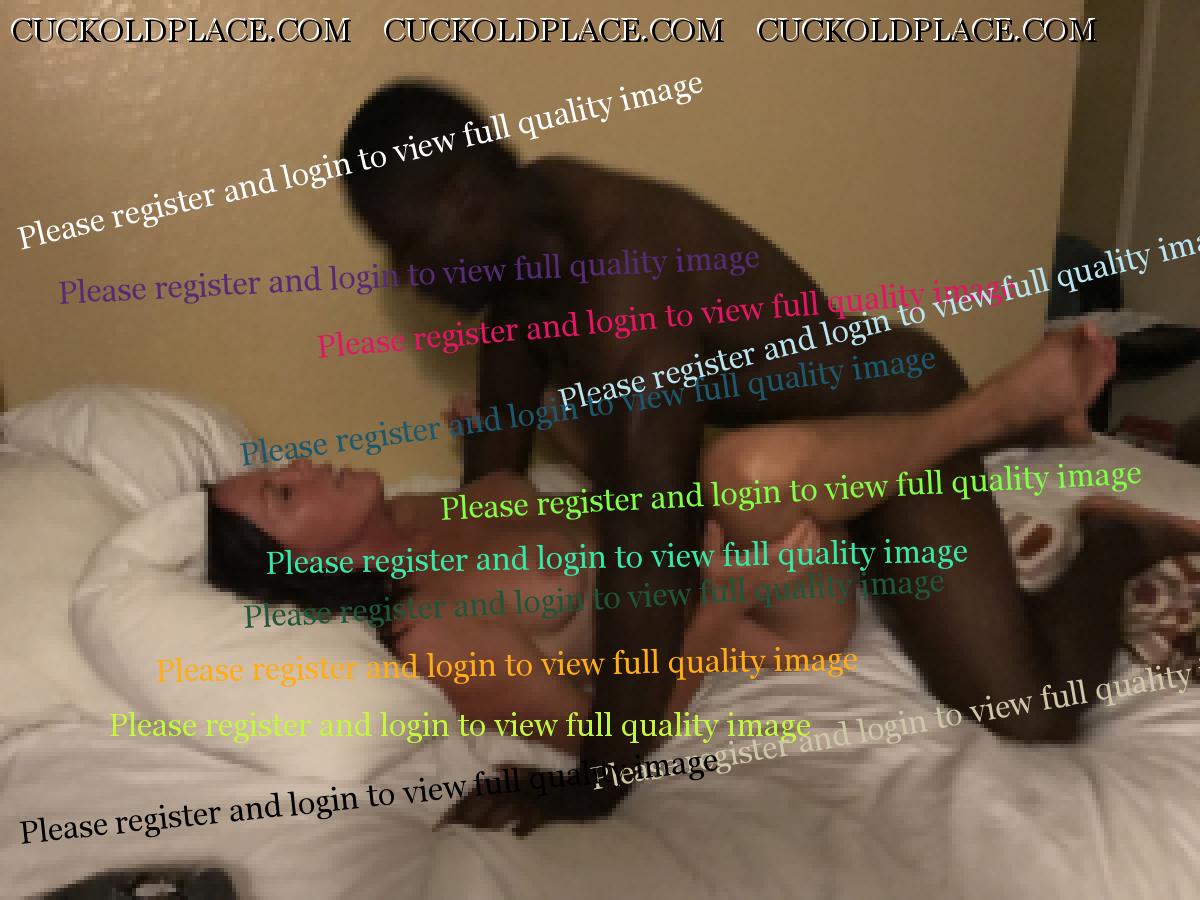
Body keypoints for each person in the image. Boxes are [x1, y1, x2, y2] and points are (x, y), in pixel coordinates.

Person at [334, 83, 1196, 831]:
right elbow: (492, 481)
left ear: (469, 194)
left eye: (407, 245)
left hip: (886, 406)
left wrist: (596, 781)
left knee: (1029, 713)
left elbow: (649, 549)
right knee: (740, 472)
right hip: (807, 465)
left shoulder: (620, 280)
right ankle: (1002, 446)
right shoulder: (527, 249)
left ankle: (1106, 535)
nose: (406, 277)